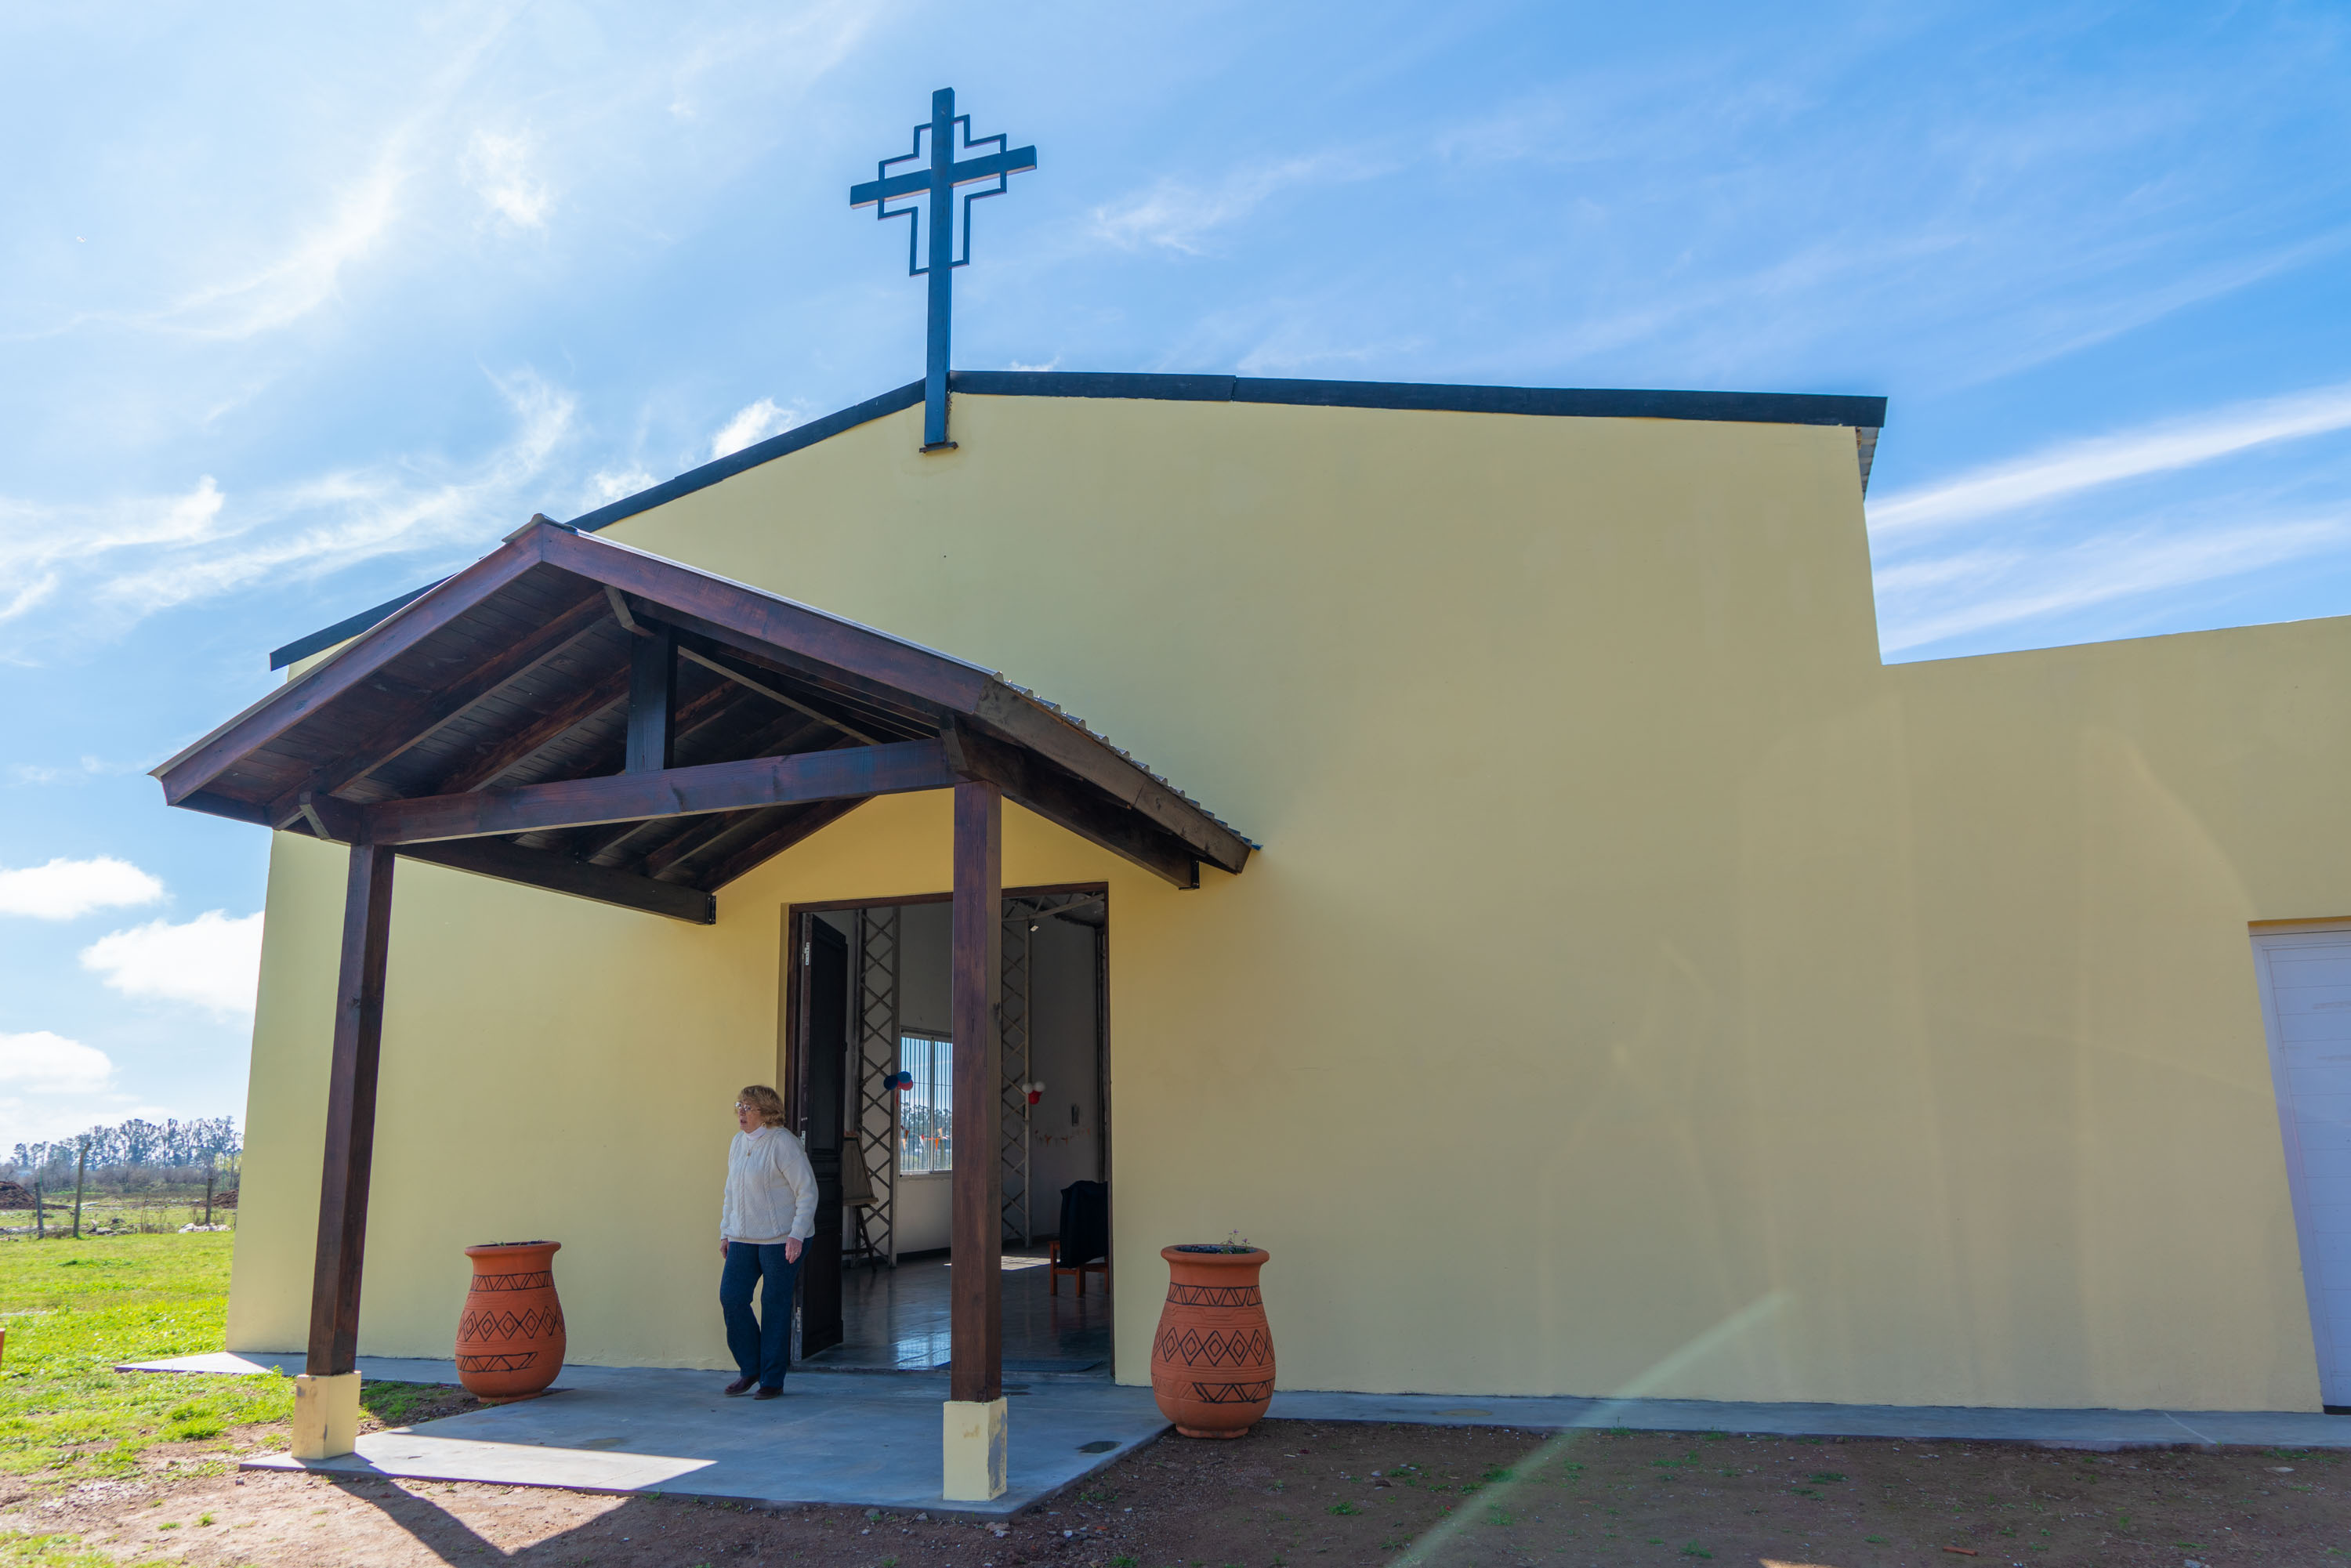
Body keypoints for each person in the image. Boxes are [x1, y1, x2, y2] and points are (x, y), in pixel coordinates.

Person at [719, 1085, 817, 1399]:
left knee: (774, 1306)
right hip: (743, 1237)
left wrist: (796, 1235)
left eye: (749, 1107)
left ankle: (772, 1380)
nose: (742, 1113)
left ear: (767, 1111)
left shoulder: (784, 1144)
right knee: (732, 1298)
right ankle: (751, 1368)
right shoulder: (737, 1143)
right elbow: (731, 1192)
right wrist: (726, 1231)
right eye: (740, 1106)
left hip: (782, 1240)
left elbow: (807, 1192)